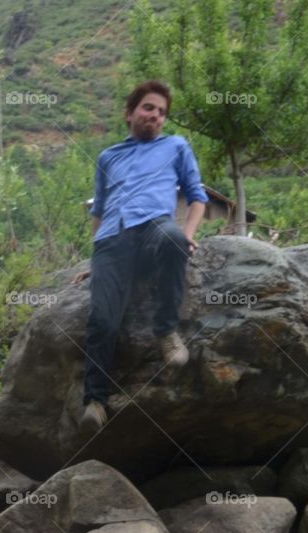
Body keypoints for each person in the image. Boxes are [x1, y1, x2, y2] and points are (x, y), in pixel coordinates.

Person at [79, 79, 208, 434]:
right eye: (149, 108)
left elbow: (198, 197)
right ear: (131, 113)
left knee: (173, 239)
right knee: (102, 320)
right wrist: (94, 261)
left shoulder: (176, 147)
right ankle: (95, 402)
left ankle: (166, 331)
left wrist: (189, 235)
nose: (156, 116)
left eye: (162, 112)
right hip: (112, 240)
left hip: (154, 227)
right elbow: (100, 211)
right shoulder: (108, 157)